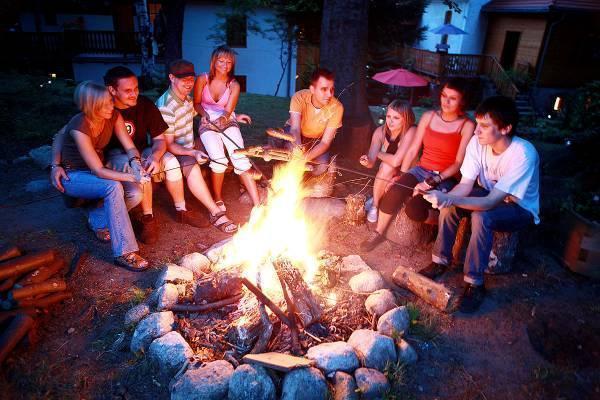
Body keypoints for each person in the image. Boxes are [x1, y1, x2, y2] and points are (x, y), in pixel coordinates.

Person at [51, 66, 209, 245]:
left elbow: (155, 141)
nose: (134, 94)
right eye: (128, 90)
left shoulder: (135, 107)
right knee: (132, 172)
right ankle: (146, 218)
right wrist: (56, 165)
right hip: (109, 158)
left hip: (136, 152)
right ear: (112, 90)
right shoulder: (96, 110)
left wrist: (153, 157)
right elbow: (61, 135)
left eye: (136, 88)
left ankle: (181, 210)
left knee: (169, 161)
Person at [421, 96, 539, 313]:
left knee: (481, 216)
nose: (476, 131)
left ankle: (474, 283)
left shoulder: (523, 153)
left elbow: (490, 202)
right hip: (488, 194)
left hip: (519, 207)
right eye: (477, 124)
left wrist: (450, 198)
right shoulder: (477, 143)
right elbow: (465, 185)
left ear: (505, 128)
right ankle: (440, 261)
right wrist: (445, 197)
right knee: (450, 206)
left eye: (484, 126)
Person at [360, 78, 475, 251]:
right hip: (421, 169)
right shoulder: (429, 117)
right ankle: (378, 232)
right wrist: (401, 176)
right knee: (394, 191)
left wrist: (433, 181)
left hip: (445, 177)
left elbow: (458, 163)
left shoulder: (467, 125)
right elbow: (413, 150)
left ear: (463, 101)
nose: (446, 102)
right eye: (444, 96)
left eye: (453, 98)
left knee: (414, 209)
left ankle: (444, 223)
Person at [55, 81, 149, 271]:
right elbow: (98, 170)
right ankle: (124, 252)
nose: (110, 107)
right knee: (113, 186)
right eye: (104, 104)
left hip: (96, 171)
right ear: (90, 106)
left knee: (136, 193)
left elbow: (129, 146)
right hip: (73, 175)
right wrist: (133, 177)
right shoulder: (79, 124)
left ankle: (97, 220)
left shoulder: (114, 115)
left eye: (110, 102)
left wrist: (136, 164)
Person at [156, 59, 238, 234]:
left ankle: (210, 191)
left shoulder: (186, 100)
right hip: (169, 151)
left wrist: (234, 117)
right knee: (192, 166)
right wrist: (193, 152)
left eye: (191, 79)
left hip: (188, 145)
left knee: (216, 144)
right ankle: (215, 213)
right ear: (171, 77)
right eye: (183, 79)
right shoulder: (166, 107)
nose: (189, 83)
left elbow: (204, 112)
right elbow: (168, 145)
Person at [193, 45, 260, 211]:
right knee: (219, 160)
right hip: (207, 121)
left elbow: (227, 112)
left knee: (240, 157)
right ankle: (217, 198)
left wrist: (223, 120)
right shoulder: (202, 79)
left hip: (227, 119)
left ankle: (258, 204)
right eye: (221, 61)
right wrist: (204, 115)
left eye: (229, 62)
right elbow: (196, 103)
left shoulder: (234, 85)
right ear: (214, 61)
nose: (225, 65)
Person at [359, 100, 416, 223]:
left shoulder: (411, 131)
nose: (390, 121)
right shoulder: (380, 132)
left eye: (396, 118)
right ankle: (375, 205)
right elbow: (371, 163)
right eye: (388, 116)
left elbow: (396, 161)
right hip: (388, 173)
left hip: (409, 174)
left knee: (388, 165)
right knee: (386, 166)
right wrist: (366, 161)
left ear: (406, 119)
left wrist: (377, 153)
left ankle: (376, 199)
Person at [286, 68, 344, 175]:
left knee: (321, 167)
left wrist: (304, 159)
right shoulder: (299, 97)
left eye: (332, 89)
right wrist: (298, 152)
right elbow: (295, 129)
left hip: (317, 139)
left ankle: (308, 179)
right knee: (290, 156)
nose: (329, 94)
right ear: (312, 89)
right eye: (324, 89)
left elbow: (325, 142)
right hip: (297, 134)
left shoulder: (337, 107)